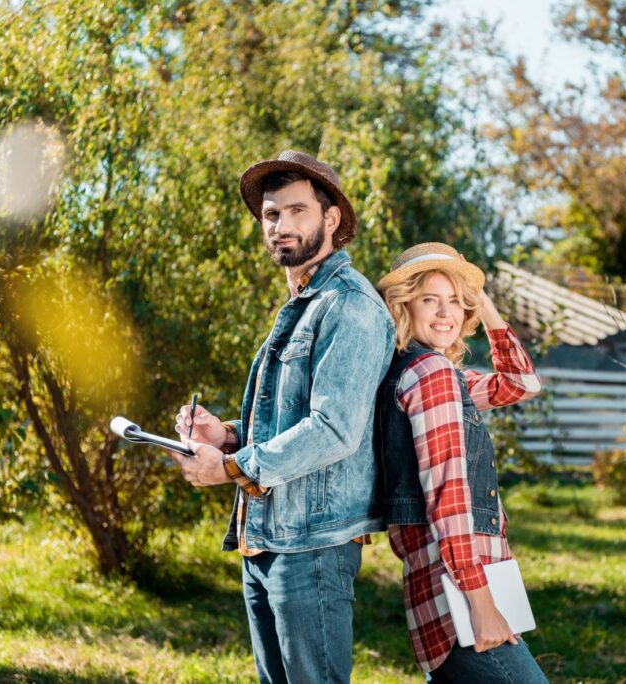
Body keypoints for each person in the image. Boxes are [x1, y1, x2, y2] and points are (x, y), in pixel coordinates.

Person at [168, 150, 395, 684]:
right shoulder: (300, 304)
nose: (281, 226)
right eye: (272, 215)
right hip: (266, 537)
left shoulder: (349, 305)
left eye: (297, 211)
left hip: (313, 547)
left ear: (331, 218)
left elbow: (335, 430)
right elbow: (290, 422)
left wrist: (227, 468)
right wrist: (224, 435)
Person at [374, 243, 549, 683]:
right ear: (404, 305)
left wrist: (479, 296)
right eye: (429, 299)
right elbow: (448, 496)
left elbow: (522, 383)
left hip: (447, 592)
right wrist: (482, 603)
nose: (445, 312)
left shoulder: (427, 376)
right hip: (461, 599)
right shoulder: (432, 377)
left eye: (454, 301)